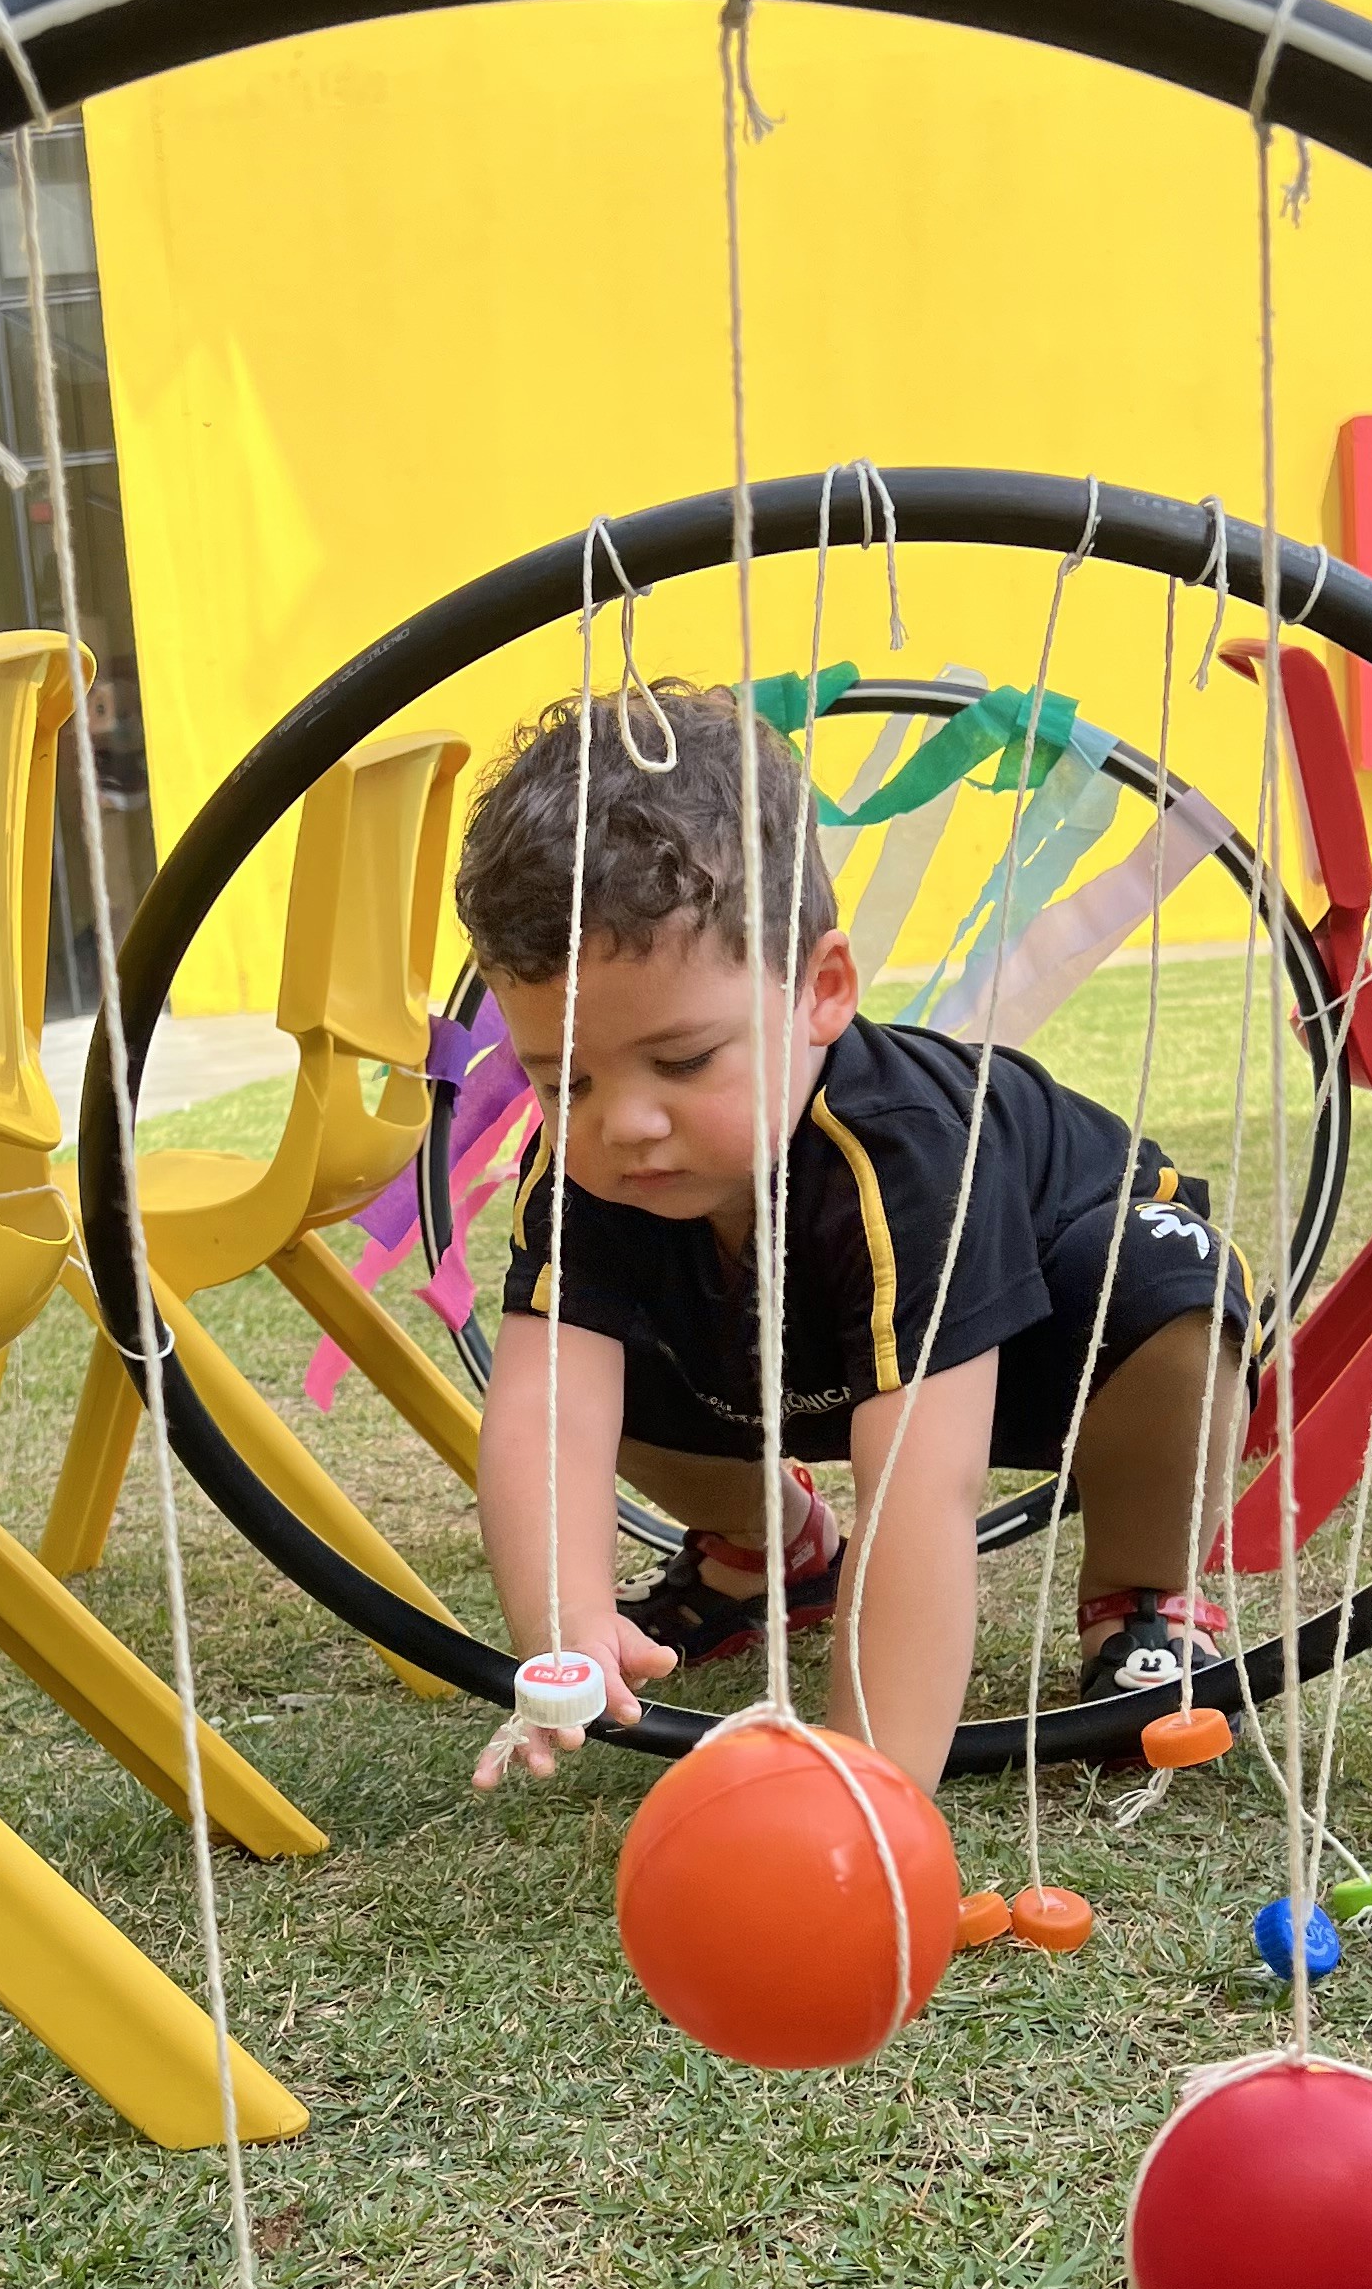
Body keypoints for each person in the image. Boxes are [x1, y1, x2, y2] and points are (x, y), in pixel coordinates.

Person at [458, 678, 1253, 1799]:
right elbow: (548, 1412)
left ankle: (1139, 1593)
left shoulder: (905, 1155)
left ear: (823, 989)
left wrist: (867, 1794)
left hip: (1049, 1344)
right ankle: (766, 1547)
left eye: (684, 1061)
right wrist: (567, 1616)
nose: (624, 1121)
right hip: (792, 1360)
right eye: (562, 1076)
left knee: (1175, 1291)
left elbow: (923, 1501)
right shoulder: (587, 1166)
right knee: (593, 1355)